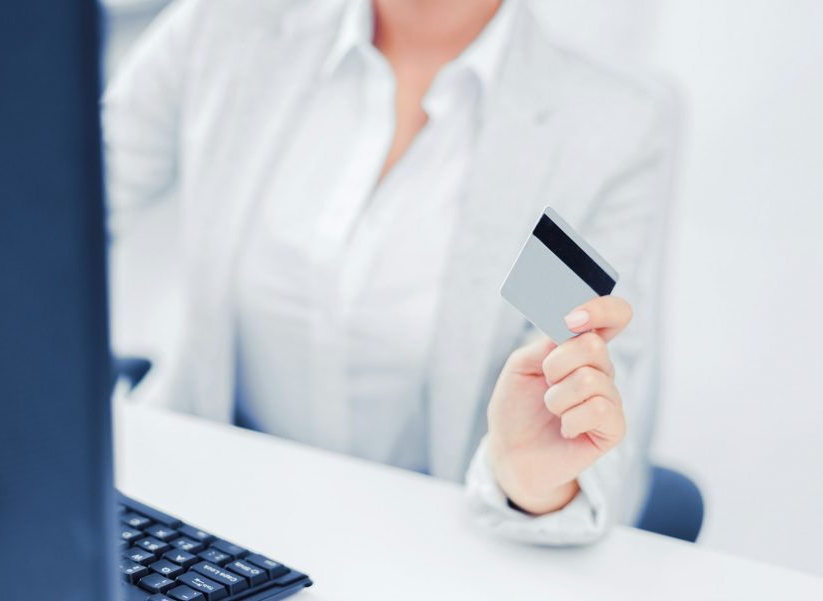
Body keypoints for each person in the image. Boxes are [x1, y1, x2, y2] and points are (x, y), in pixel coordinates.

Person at [103, 0, 675, 544]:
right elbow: (48, 213)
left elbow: (595, 391)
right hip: (199, 506)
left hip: (431, 541)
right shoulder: (227, 26)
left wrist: (533, 483)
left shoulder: (609, 129)